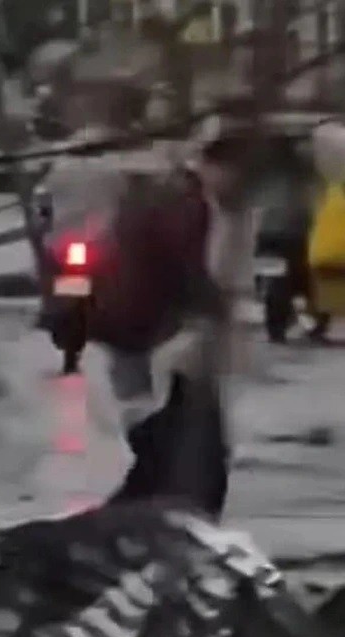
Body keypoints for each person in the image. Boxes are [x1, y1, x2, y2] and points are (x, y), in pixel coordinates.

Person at [86, 128, 250, 519]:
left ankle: (150, 485)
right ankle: (157, 490)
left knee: (142, 404)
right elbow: (184, 264)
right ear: (214, 167)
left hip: (121, 313)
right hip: (140, 316)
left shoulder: (167, 192)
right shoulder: (186, 203)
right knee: (160, 409)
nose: (234, 185)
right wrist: (212, 307)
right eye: (232, 174)